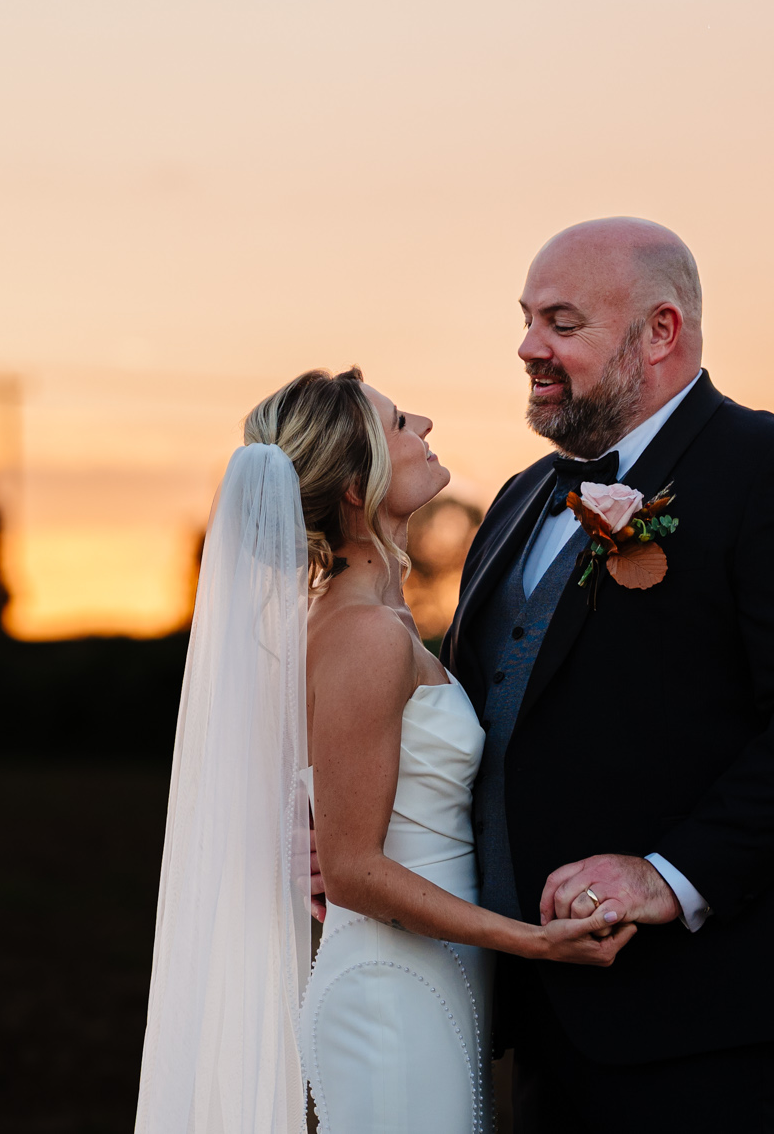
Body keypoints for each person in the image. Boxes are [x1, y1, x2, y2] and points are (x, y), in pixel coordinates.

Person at [440, 218, 774, 1133]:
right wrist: (370, 842)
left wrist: (669, 873)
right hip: (533, 1012)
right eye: (528, 319)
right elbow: (483, 719)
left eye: (562, 323)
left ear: (660, 331)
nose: (530, 347)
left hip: (710, 1017)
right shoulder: (523, 497)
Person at [134, 367, 630, 1134]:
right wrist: (532, 940)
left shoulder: (372, 621)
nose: (424, 423)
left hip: (430, 982)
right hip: (393, 997)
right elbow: (358, 870)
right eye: (400, 422)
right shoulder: (363, 635)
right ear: (359, 488)